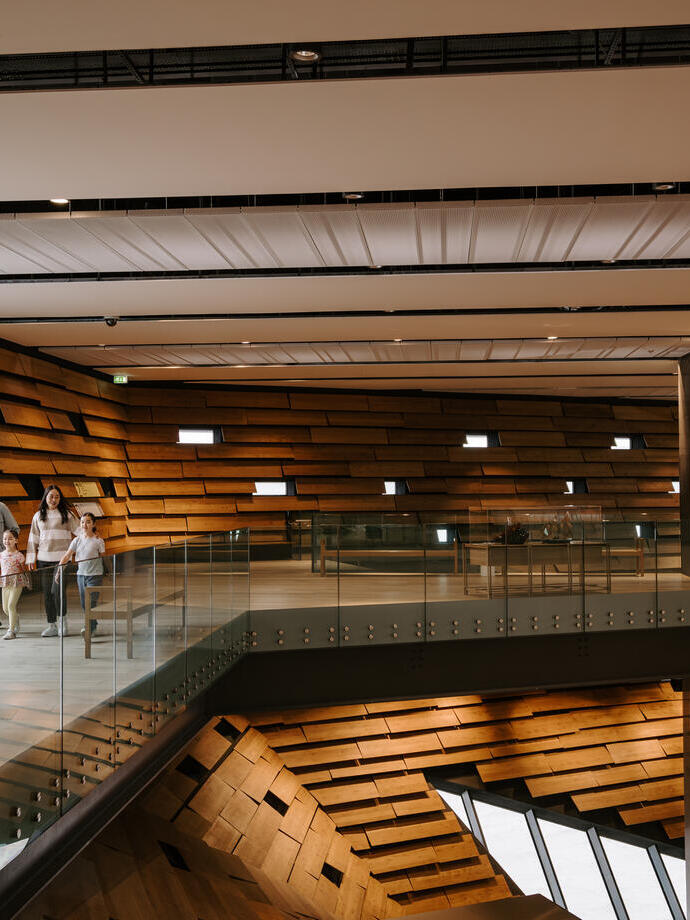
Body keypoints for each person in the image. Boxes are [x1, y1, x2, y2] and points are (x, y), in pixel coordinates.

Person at [26, 485, 79, 637]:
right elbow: (33, 538)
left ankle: (63, 623)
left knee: (58, 592)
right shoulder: (38, 516)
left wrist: (91, 540)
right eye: (51, 496)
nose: (54, 499)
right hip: (43, 560)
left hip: (62, 560)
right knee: (47, 594)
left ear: (60, 498)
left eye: (57, 496)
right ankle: (52, 625)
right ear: (46, 497)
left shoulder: (67, 514)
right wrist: (31, 558)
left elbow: (80, 533)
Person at [57, 512, 106, 639]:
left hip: (95, 575)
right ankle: (93, 625)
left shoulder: (98, 541)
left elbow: (103, 557)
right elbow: (67, 555)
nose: (84, 524)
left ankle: (89, 628)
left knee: (91, 602)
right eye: (82, 522)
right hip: (81, 576)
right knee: (85, 604)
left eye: (88, 522)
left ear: (93, 524)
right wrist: (59, 570)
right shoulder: (77, 540)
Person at [0, 529, 30, 639]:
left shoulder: (19, 556)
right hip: (5, 582)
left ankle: (11, 631)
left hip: (17, 582)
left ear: (16, 540)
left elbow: (23, 570)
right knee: (5, 609)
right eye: (4, 538)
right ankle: (16, 618)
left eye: (10, 538)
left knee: (11, 605)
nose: (7, 541)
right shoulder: (1, 555)